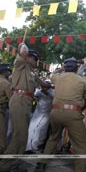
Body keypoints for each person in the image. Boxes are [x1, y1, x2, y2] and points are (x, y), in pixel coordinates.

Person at [34, 58, 86, 172]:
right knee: (81, 145)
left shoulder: (57, 78)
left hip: (56, 112)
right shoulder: (82, 81)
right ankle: (80, 169)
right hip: (73, 113)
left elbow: (52, 76)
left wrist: (61, 69)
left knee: (53, 138)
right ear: (77, 68)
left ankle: (41, 164)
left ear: (64, 67)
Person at [0, 43, 49, 172]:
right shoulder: (20, 65)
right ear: (27, 58)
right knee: (19, 136)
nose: (34, 60)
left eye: (35, 59)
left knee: (22, 135)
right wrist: (23, 47)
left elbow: (44, 84)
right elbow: (22, 51)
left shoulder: (32, 73)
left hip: (26, 102)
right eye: (32, 58)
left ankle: (14, 163)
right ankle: (6, 165)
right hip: (19, 100)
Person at [26, 80, 55, 153]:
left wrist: (47, 90)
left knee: (41, 130)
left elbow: (52, 95)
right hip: (37, 113)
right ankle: (28, 147)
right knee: (31, 129)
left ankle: (36, 146)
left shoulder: (52, 92)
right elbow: (35, 95)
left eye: (46, 85)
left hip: (47, 114)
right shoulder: (39, 91)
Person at [0, 64, 13, 154]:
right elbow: (11, 98)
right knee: (2, 134)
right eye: (8, 71)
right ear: (4, 72)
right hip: (1, 111)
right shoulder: (6, 83)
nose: (9, 73)